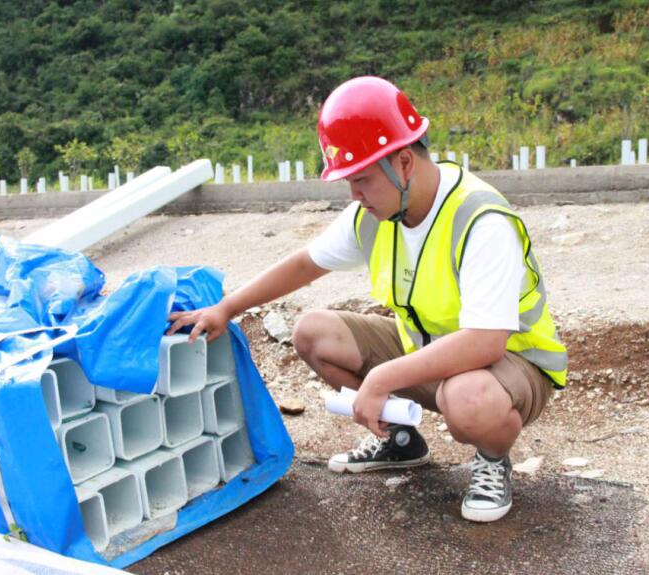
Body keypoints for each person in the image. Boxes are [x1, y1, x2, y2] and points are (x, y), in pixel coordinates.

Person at [167, 76, 568, 523]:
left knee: (469, 398)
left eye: (361, 180)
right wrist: (227, 308)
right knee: (314, 333)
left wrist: (381, 379)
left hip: (508, 365)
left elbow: (485, 342)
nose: (354, 195)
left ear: (403, 163)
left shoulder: (480, 218)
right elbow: (305, 263)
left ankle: (493, 460)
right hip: (429, 351)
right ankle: (399, 439)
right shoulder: (377, 213)